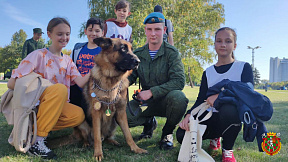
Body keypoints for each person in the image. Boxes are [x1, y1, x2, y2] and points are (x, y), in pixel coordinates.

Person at [7, 17, 90, 160]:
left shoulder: (68, 61)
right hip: (35, 104)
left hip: (56, 106)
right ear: (49, 34)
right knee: (60, 89)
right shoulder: (38, 55)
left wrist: (97, 68)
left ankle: (34, 129)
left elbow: (81, 82)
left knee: (78, 115)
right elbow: (11, 83)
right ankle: (37, 142)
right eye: (60, 34)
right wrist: (38, 87)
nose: (64, 37)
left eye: (67, 34)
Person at [176, 27, 254, 162]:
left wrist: (220, 96)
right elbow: (201, 99)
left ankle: (227, 150)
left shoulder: (243, 67)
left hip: (230, 116)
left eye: (228, 41)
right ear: (215, 45)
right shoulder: (208, 72)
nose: (223, 44)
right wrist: (189, 115)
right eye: (219, 41)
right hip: (210, 116)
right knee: (181, 135)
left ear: (234, 46)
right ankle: (215, 138)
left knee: (230, 109)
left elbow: (248, 92)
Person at [126, 12, 188, 150]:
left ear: (164, 30)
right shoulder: (138, 54)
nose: (153, 33)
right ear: (145, 31)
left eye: (157, 29)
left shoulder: (172, 53)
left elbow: (179, 81)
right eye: (149, 29)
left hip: (167, 101)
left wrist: (152, 92)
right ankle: (149, 122)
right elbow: (129, 78)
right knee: (124, 116)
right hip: (146, 103)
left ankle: (167, 133)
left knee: (179, 98)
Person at [70, 17, 104, 125]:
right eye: (90, 30)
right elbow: (71, 66)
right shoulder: (77, 49)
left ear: (102, 33)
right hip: (78, 89)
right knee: (80, 116)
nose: (93, 33)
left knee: (94, 116)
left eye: (97, 31)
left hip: (97, 90)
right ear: (85, 31)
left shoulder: (104, 51)